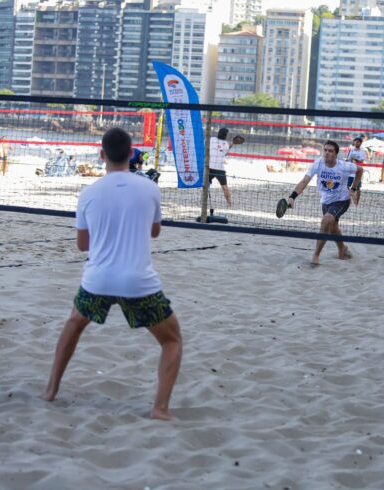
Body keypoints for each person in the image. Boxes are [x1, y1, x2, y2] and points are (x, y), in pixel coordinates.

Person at [43, 127, 183, 420]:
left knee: (74, 324)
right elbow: (155, 232)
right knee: (172, 340)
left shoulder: (89, 193)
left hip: (99, 279)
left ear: (101, 155)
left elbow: (83, 245)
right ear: (132, 154)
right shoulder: (149, 188)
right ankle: (160, 408)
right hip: (138, 282)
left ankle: (51, 389)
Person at [287, 140, 362, 267]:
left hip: (342, 200)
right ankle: (342, 249)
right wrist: (292, 197)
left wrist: (354, 188)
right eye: (325, 150)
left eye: (330, 151)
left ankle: (316, 255)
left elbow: (360, 170)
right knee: (333, 228)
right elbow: (304, 181)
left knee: (326, 221)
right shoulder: (318, 163)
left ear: (336, 154)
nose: (327, 153)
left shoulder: (343, 166)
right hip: (326, 201)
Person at [208, 127, 242, 208]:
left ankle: (205, 200)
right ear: (225, 135)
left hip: (209, 167)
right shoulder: (226, 144)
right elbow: (224, 152)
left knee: (206, 185)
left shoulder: (211, 139)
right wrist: (232, 143)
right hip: (220, 169)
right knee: (224, 187)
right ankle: (229, 203)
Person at [345, 137, 366, 205]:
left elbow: (362, 161)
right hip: (350, 171)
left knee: (358, 188)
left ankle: (356, 202)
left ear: (360, 143)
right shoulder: (351, 150)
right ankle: (348, 200)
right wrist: (347, 161)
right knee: (346, 186)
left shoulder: (362, 151)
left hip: (358, 172)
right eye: (356, 142)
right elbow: (347, 159)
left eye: (358, 142)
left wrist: (355, 159)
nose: (356, 143)